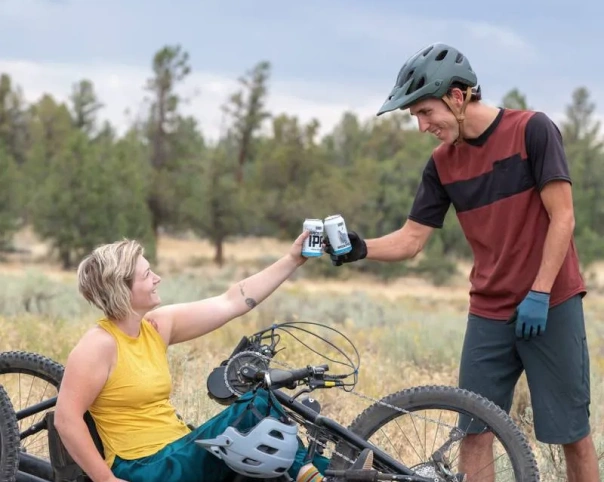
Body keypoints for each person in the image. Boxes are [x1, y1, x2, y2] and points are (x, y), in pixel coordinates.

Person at [325, 42, 600, 482]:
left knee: (572, 433)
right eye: (414, 116)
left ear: (457, 96)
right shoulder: (441, 164)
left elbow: (563, 217)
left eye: (425, 112)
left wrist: (540, 291)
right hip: (489, 310)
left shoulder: (532, 130)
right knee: (474, 429)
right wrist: (359, 248)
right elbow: (412, 240)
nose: (422, 126)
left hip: (550, 302)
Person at [54, 231, 359, 482]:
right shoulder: (99, 345)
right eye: (147, 275)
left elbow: (231, 301)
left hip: (179, 449)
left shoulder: (155, 327)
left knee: (263, 457)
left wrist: (293, 259)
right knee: (256, 406)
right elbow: (66, 419)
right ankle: (324, 475)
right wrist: (105, 479)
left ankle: (336, 473)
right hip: (146, 466)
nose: (157, 278)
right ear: (122, 289)